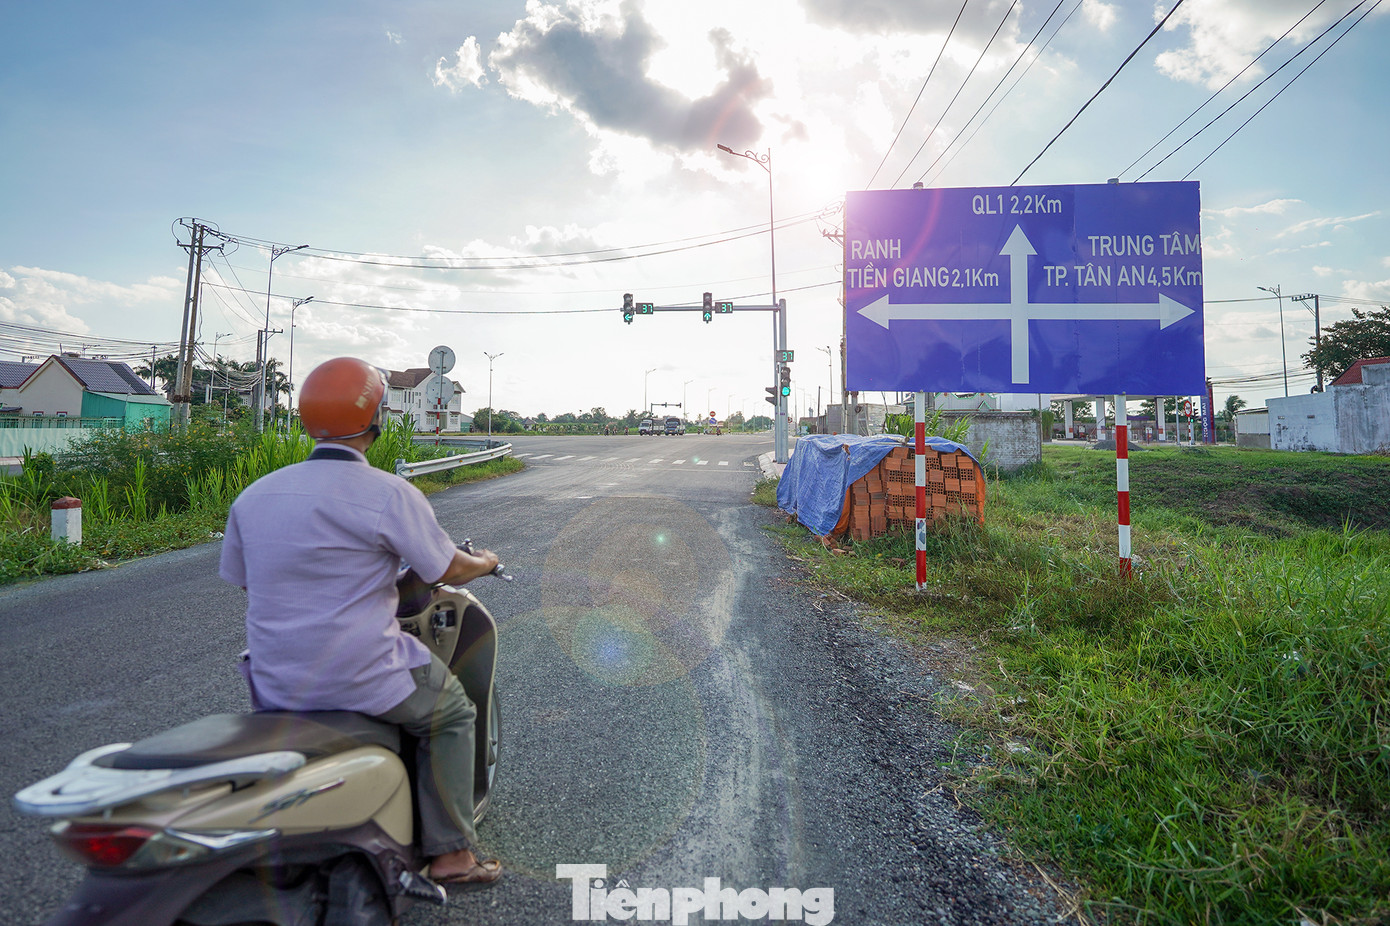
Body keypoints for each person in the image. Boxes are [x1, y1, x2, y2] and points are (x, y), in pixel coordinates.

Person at [218, 356, 502, 886]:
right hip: (359, 674)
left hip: (275, 677)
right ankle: (452, 856)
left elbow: (245, 580)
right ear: (376, 421)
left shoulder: (255, 496)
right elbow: (444, 566)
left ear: (306, 421)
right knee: (452, 714)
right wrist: (484, 563)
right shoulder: (388, 494)